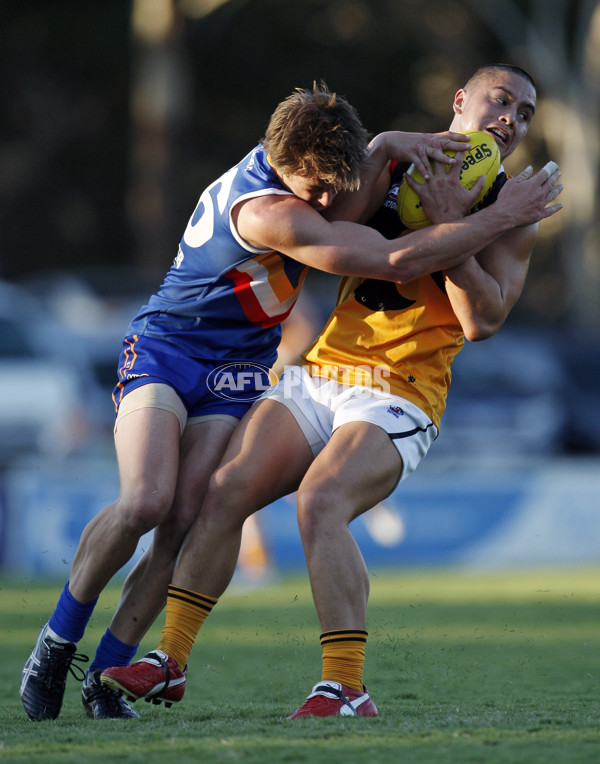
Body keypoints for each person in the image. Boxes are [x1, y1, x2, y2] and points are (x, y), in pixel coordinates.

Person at [99, 64, 563, 718]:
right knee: (223, 490)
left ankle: (345, 687)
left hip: (401, 392)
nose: (512, 117)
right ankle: (169, 660)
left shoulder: (513, 207)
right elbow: (332, 225)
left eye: (525, 111)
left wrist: (461, 224)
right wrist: (386, 151)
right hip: (324, 370)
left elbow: (483, 321)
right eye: (501, 99)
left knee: (321, 501)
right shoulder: (399, 162)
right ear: (461, 101)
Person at [19, 81, 481, 722]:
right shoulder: (268, 212)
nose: (324, 201)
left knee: (186, 516)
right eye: (315, 186)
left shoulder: (302, 168)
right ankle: (55, 642)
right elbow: (391, 259)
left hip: (236, 368)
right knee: (146, 501)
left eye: (330, 185)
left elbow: (348, 203)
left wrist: (381, 148)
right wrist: (497, 216)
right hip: (168, 349)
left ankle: (106, 673)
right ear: (283, 159)